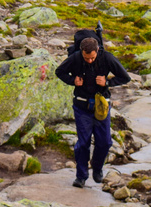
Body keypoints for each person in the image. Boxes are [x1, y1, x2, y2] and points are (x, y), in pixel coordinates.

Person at [56, 36, 130, 187]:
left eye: (92, 58)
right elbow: (59, 71)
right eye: (86, 58)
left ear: (97, 51)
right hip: (82, 107)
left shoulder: (107, 58)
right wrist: (72, 81)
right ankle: (81, 177)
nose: (89, 60)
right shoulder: (76, 58)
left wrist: (108, 82)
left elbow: (125, 77)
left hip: (101, 106)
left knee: (105, 142)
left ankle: (97, 168)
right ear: (81, 52)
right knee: (83, 143)